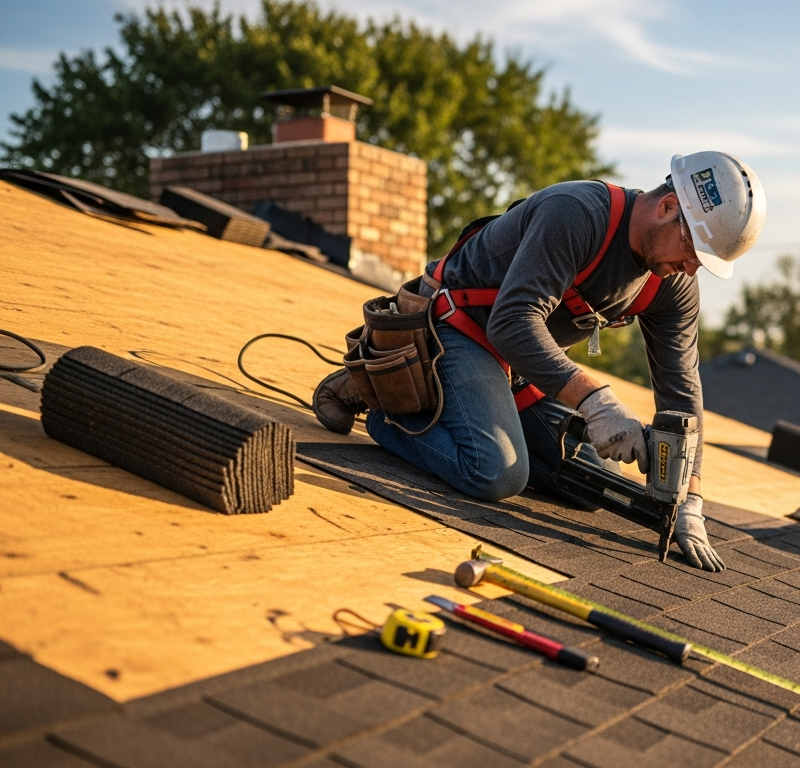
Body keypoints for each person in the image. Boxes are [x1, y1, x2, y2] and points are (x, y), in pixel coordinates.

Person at [313, 152, 767, 572]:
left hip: (516, 365)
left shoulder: (672, 284)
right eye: (692, 251)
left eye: (702, 263)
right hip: (454, 327)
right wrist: (597, 403)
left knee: (591, 483)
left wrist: (691, 496)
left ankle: (469, 413)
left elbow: (682, 387)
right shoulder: (577, 213)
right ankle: (388, 404)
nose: (690, 268)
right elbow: (511, 322)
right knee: (496, 473)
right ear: (668, 206)